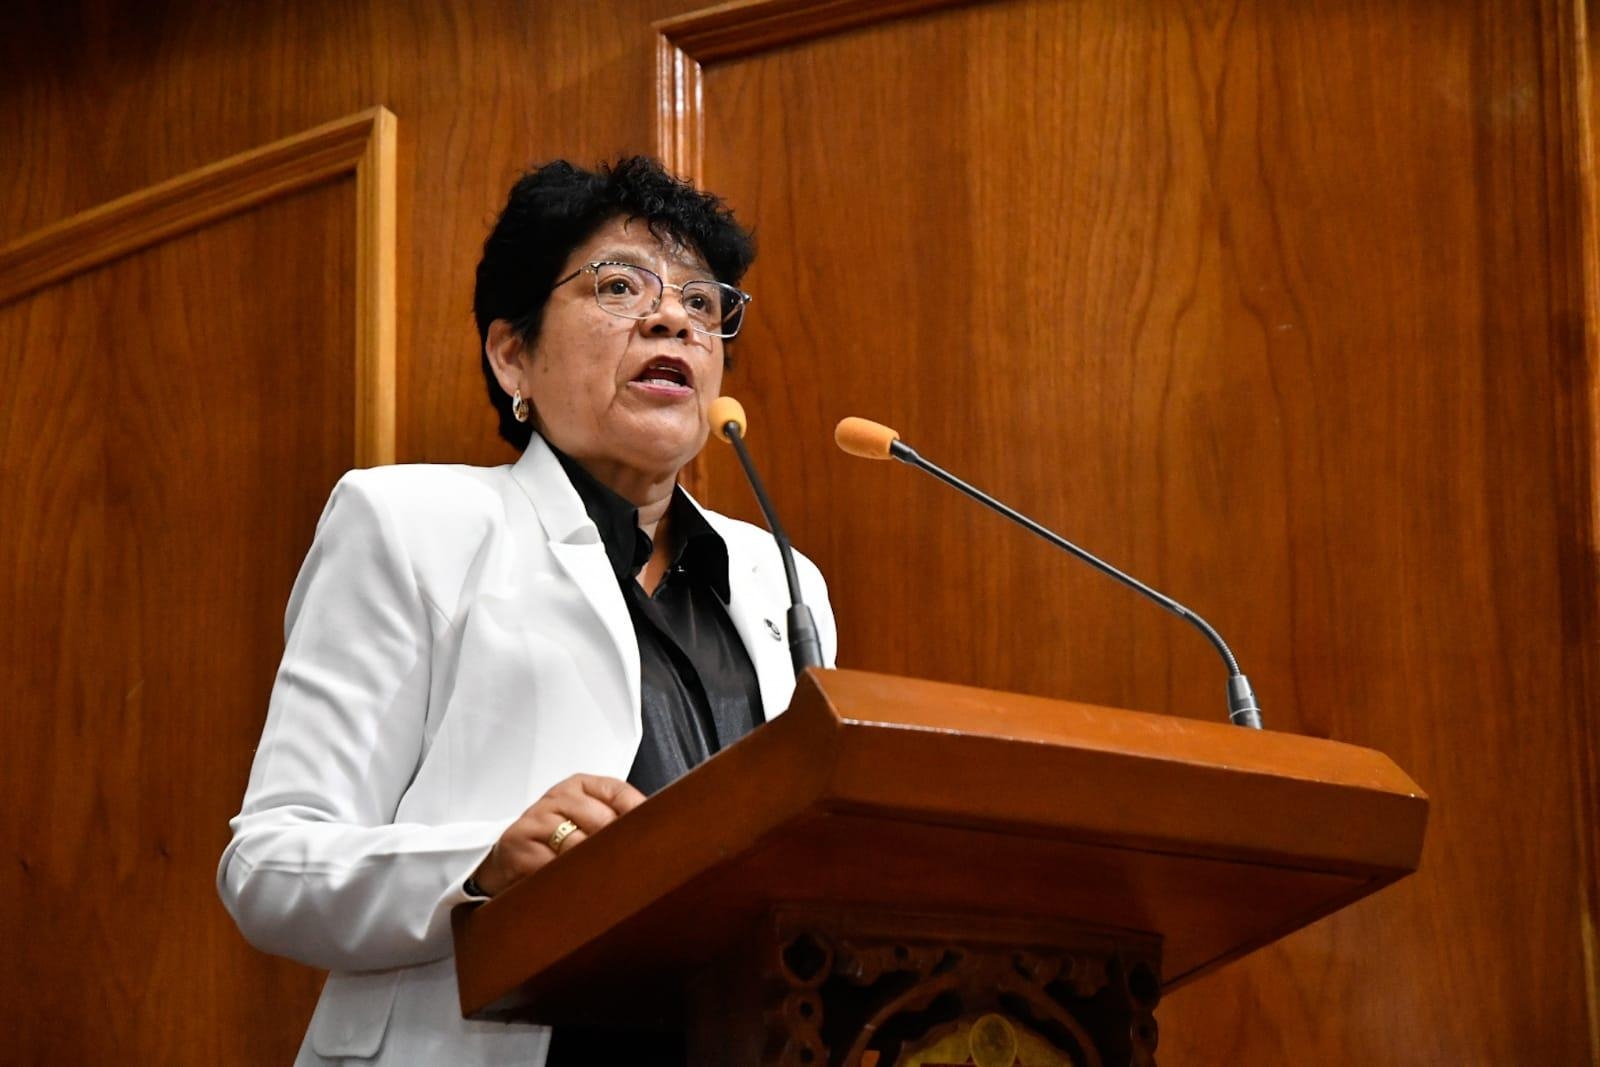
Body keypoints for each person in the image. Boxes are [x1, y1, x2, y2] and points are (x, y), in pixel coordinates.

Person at [217, 157, 837, 1065]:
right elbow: (269, 866)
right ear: (513, 354)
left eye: (703, 304)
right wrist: (483, 863)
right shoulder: (412, 525)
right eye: (619, 286)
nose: (674, 319)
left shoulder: (781, 579)